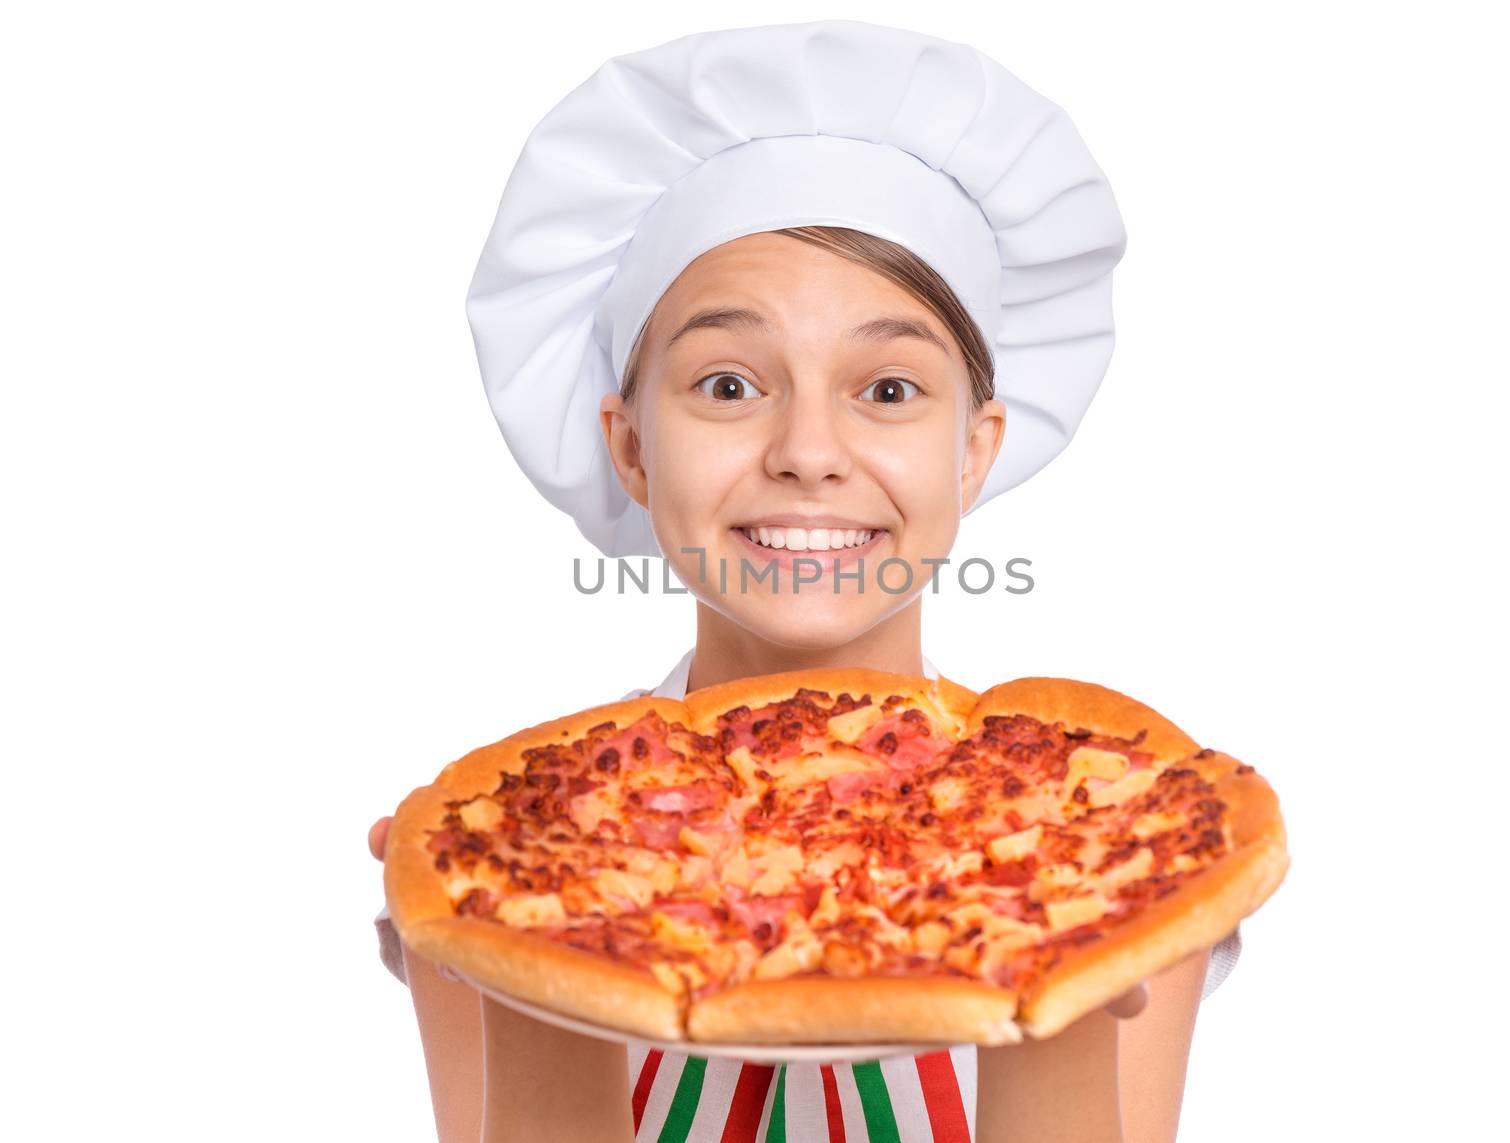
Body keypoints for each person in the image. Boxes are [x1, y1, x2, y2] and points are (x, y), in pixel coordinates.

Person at [369, 19, 1242, 1142]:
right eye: (729, 385)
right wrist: (517, 965)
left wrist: (1070, 965)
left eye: (887, 390)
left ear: (975, 449)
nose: (808, 451)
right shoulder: (516, 849)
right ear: (631, 446)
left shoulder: (1105, 830)